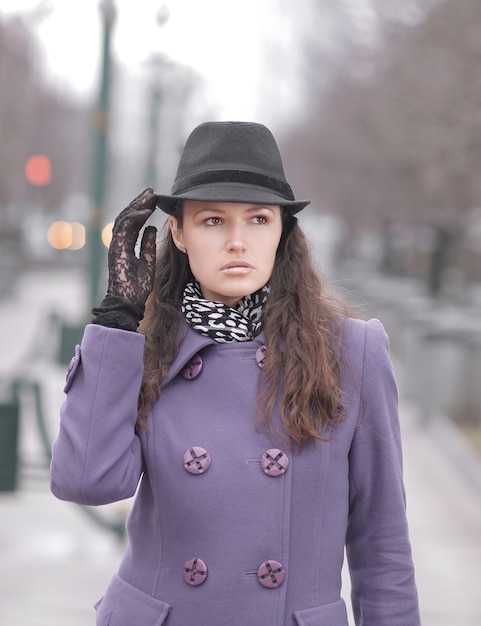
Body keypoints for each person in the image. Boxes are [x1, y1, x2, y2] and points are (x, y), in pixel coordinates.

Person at [50, 121, 421, 626]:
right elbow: (86, 482)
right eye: (212, 221)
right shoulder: (147, 345)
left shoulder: (351, 350)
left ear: (282, 230)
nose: (237, 242)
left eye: (258, 219)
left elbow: (382, 542)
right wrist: (117, 319)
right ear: (177, 232)